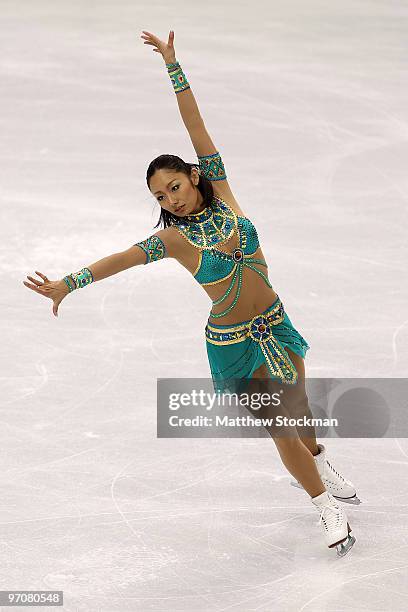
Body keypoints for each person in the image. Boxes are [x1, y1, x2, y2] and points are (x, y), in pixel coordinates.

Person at [23, 29, 359, 557]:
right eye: (160, 196)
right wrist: (68, 282)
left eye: (174, 186)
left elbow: (195, 124)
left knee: (298, 412)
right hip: (234, 343)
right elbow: (120, 258)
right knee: (278, 426)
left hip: (276, 320)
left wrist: (173, 67)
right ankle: (324, 505)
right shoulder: (174, 241)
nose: (171, 199)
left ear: (194, 176)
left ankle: (316, 462)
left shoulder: (222, 190)